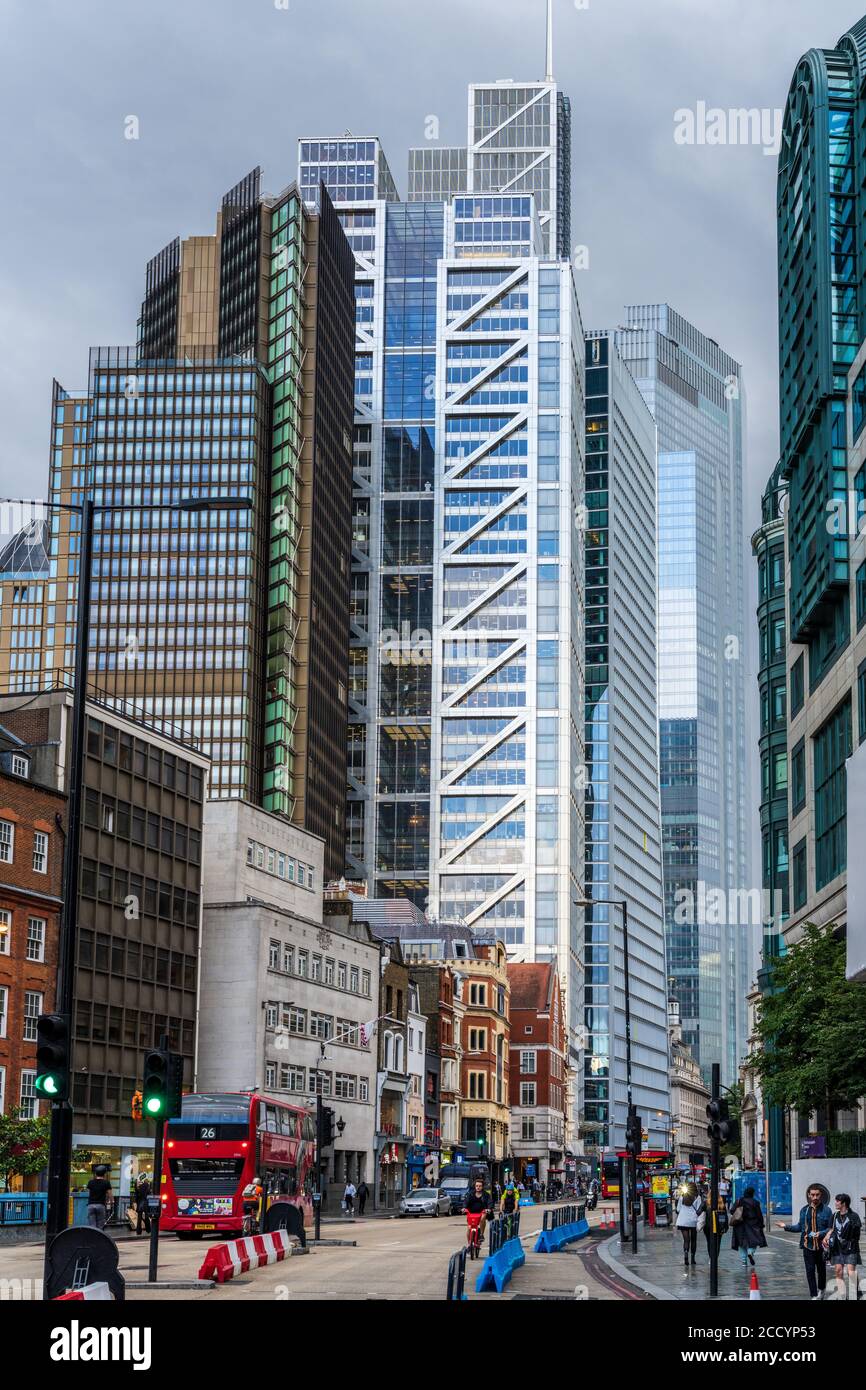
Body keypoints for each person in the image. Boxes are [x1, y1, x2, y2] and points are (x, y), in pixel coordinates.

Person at [778, 1184, 832, 1300]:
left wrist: (821, 1233)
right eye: (812, 1195)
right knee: (810, 1271)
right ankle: (813, 1295)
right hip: (808, 1246)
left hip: (821, 1247)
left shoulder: (827, 1210)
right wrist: (785, 1226)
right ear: (809, 1195)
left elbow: (830, 1228)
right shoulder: (804, 1210)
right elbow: (799, 1227)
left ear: (820, 1195)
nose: (815, 1197)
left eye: (817, 1195)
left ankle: (821, 1289)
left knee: (821, 1271)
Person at [823, 1193, 862, 1300]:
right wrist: (826, 1237)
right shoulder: (834, 1215)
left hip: (850, 1248)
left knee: (851, 1272)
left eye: (837, 1201)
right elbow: (831, 1229)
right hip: (837, 1248)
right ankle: (842, 1296)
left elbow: (856, 1234)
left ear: (843, 1203)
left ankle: (857, 1293)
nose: (835, 1203)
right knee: (838, 1271)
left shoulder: (854, 1216)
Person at [730, 1185, 767, 1268]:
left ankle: (744, 1261)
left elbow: (732, 1211)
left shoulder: (738, 1201)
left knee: (742, 1243)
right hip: (752, 1224)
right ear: (752, 1194)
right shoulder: (755, 1202)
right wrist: (761, 1225)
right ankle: (750, 1253)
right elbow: (759, 1215)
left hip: (740, 1225)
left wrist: (739, 1214)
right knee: (754, 1241)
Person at [464, 1177, 493, 1249]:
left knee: (483, 1217)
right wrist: (464, 1208)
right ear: (475, 1186)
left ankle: (481, 1234)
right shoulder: (470, 1194)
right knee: (469, 1228)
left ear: (482, 1187)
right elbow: (466, 1201)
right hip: (471, 1213)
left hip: (482, 1212)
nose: (478, 1187)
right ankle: (469, 1245)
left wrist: (489, 1209)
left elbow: (490, 1202)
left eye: (480, 1186)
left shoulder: (486, 1195)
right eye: (477, 1186)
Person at [676, 1189, 700, 1265]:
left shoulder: (682, 1197)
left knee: (686, 1240)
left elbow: (678, 1209)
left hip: (683, 1220)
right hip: (693, 1220)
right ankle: (693, 1259)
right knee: (693, 1240)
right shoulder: (697, 1197)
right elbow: (699, 1209)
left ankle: (686, 1256)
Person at [703, 1195, 730, 1262]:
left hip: (708, 1226)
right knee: (718, 1243)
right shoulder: (721, 1204)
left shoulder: (706, 1203)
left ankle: (711, 1258)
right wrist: (726, 1227)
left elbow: (698, 1211)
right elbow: (725, 1215)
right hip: (719, 1226)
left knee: (709, 1242)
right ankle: (715, 1258)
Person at [86, 1166, 113, 1230]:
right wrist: (112, 1202)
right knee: (100, 1226)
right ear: (104, 1174)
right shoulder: (106, 1183)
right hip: (100, 1205)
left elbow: (88, 1192)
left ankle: (93, 1239)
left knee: (92, 1226)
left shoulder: (90, 1182)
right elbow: (110, 1194)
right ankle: (99, 1239)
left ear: (96, 1173)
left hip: (91, 1205)